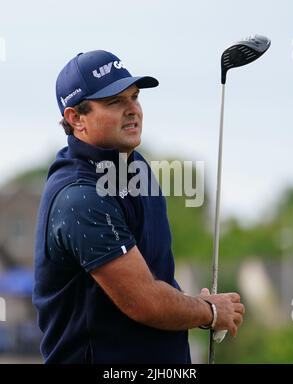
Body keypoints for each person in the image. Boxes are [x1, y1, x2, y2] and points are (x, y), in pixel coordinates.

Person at [33, 49, 245, 364]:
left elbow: (152, 280)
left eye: (134, 97)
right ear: (76, 118)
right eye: (115, 102)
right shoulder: (78, 198)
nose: (133, 110)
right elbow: (144, 301)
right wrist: (210, 311)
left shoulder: (135, 167)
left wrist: (191, 306)